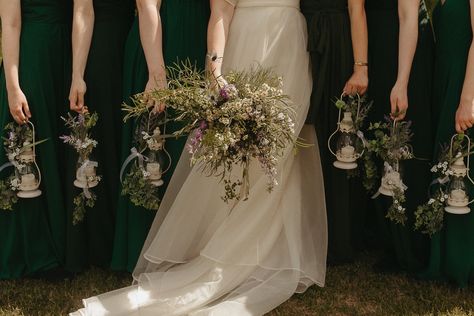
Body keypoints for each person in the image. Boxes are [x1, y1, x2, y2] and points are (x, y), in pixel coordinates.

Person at [71, 0, 327, 314]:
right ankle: (234, 244)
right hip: (244, 40)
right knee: (240, 149)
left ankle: (279, 243)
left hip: (290, 43)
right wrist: (215, 68)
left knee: (285, 147)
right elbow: (220, 10)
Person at [111, 0, 210, 272]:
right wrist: (157, 73)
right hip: (160, 47)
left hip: (195, 43)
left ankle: (185, 245)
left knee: (189, 151)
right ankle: (143, 248)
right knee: (154, 148)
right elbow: (146, 5)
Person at [0, 0, 71, 278]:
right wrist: (13, 87)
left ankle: (60, 244)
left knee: (59, 147)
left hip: (64, 55)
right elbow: (10, 23)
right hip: (33, 59)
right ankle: (36, 252)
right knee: (32, 153)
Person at [65, 0, 134, 272]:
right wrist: (78, 75)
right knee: (102, 144)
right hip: (100, 49)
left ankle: (125, 239)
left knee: (125, 141)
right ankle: (103, 244)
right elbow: (83, 10)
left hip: (130, 44)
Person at [366, 0, 434, 272]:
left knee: (404, 144)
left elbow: (409, 17)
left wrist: (402, 81)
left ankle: (411, 246)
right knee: (382, 142)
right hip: (380, 47)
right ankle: (389, 239)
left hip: (403, 53)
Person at [301, 0, 368, 264]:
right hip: (300, 39)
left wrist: (360, 67)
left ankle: (337, 237)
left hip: (337, 41)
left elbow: (356, 9)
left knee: (335, 135)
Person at [421, 0, 474, 288]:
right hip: (443, 82)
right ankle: (442, 257)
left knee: (463, 167)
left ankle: (462, 261)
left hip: (463, 85)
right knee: (447, 165)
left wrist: (467, 100)